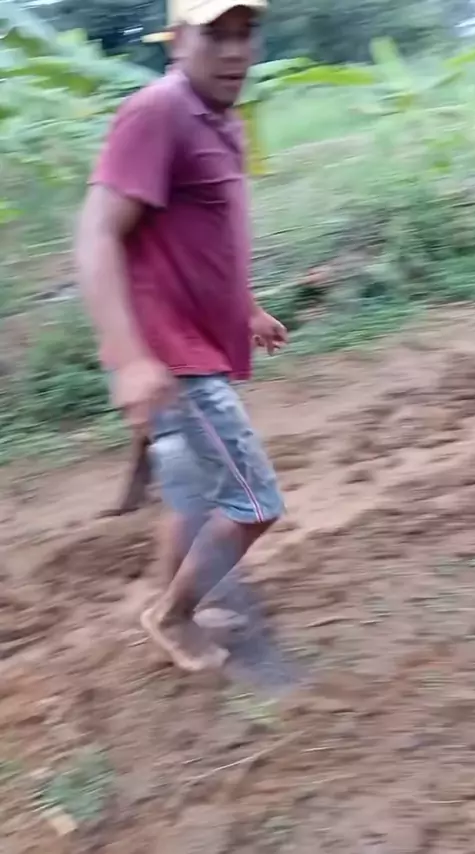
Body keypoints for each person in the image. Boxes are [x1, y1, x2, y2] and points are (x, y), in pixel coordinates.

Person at [76, 0, 287, 672]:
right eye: (215, 34)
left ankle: (177, 610)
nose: (235, 51)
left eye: (245, 32)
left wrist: (247, 308)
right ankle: (172, 614)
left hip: (194, 348)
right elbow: (96, 236)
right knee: (255, 502)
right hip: (169, 358)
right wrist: (130, 360)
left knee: (193, 495)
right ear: (177, 42)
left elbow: (209, 237)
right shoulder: (157, 111)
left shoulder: (223, 120)